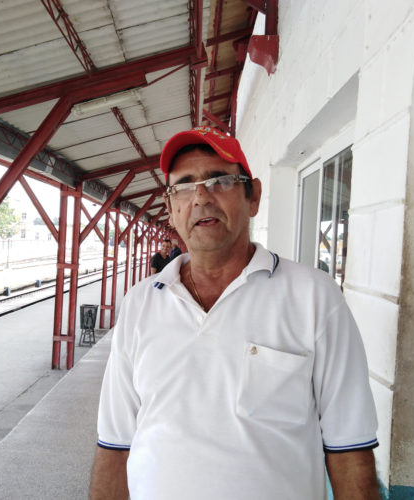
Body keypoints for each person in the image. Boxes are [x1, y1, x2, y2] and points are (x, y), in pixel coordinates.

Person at [90, 126, 380, 500]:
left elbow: (350, 447)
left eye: (220, 180)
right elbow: (115, 444)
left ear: (253, 196)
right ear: (172, 208)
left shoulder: (314, 297)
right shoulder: (140, 304)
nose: (201, 197)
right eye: (183, 185)